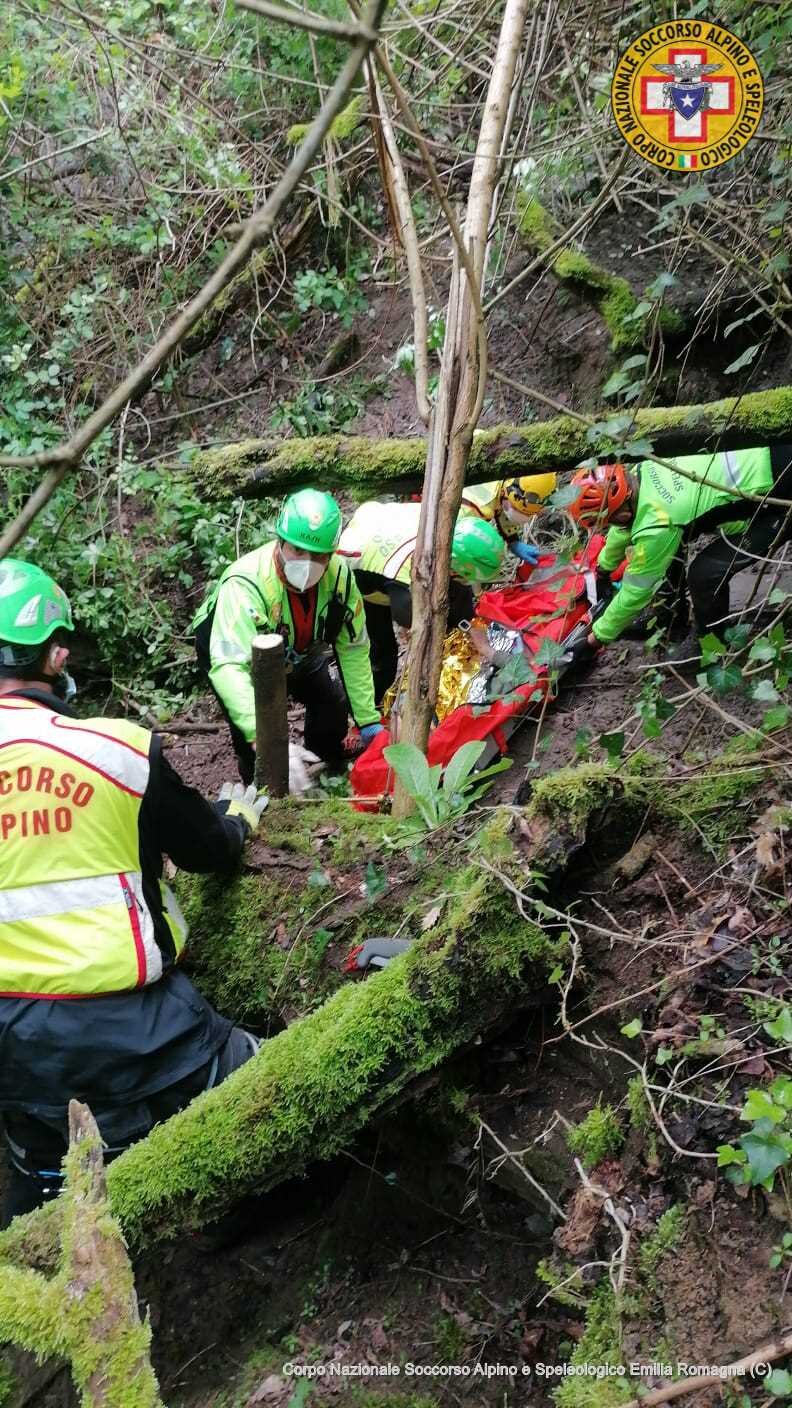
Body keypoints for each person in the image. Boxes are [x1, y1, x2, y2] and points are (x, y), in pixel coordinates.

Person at [0, 559, 269, 1224]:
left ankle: (39, 1247)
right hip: (137, 1026)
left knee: (41, 1176)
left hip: (10, 1046)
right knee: (254, 1095)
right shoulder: (116, 752)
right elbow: (206, 852)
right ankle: (222, 1217)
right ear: (55, 653)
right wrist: (236, 821)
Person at [193, 488, 384, 787]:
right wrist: (263, 739)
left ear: (331, 554)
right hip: (235, 653)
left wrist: (369, 720)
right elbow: (230, 667)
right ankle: (262, 788)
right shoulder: (245, 585)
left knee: (330, 703)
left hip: (301, 648)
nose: (306, 563)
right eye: (297, 550)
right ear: (280, 542)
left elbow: (354, 647)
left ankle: (324, 763)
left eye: (318, 555)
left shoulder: (340, 581)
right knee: (253, 732)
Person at [564, 445, 792, 664]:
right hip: (764, 463)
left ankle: (709, 645)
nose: (612, 527)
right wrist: (603, 570)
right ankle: (669, 614)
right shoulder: (643, 470)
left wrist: (595, 639)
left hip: (778, 503)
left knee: (704, 573)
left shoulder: (658, 523)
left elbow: (636, 592)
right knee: (671, 546)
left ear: (621, 514)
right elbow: (624, 529)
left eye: (609, 521)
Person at [338, 501, 508, 701]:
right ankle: (369, 712)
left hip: (382, 521)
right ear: (452, 567)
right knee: (383, 653)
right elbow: (417, 624)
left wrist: (484, 645)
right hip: (360, 570)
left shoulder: (456, 518)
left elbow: (462, 591)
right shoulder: (408, 585)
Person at [458, 474, 558, 562]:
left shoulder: (507, 480)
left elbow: (502, 507)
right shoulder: (474, 509)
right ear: (505, 494)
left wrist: (513, 540)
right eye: (516, 510)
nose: (525, 517)